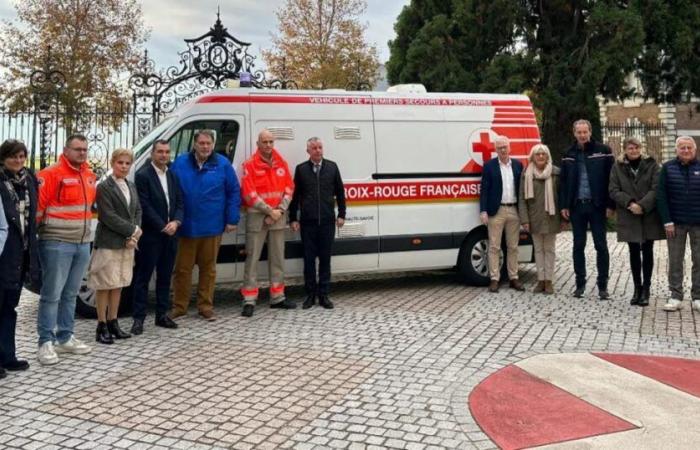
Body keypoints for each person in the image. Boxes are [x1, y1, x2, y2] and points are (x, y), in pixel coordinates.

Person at [35, 134, 96, 365]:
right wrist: (37, 237)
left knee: (70, 294)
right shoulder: (50, 174)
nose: (82, 153)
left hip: (82, 243)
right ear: (66, 150)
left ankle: (65, 336)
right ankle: (45, 342)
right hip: (56, 242)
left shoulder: (89, 175)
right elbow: (39, 209)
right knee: (51, 295)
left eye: (85, 149)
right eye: (77, 149)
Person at [170, 129, 240, 321]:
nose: (205, 147)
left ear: (213, 144)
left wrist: (232, 219)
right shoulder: (180, 163)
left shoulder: (223, 164)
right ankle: (179, 306)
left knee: (208, 270)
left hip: (212, 226)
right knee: (182, 270)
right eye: (201, 143)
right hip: (186, 226)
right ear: (194, 144)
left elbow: (234, 191)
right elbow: (172, 191)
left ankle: (205, 306)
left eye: (208, 143)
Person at [87, 149, 142, 344]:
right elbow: (108, 216)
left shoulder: (131, 186)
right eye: (120, 163)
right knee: (104, 284)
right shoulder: (104, 187)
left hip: (128, 244)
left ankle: (113, 322)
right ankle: (101, 325)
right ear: (112, 163)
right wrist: (132, 231)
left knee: (118, 283)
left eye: (127, 163)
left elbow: (137, 211)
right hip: (109, 242)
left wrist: (134, 234)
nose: (124, 167)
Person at [129, 140, 183, 335]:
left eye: (167, 152)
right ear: (152, 154)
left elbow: (179, 202)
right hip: (152, 235)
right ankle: (138, 319)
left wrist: (176, 221)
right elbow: (144, 205)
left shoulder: (173, 175)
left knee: (165, 277)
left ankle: (162, 315)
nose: (163, 155)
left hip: (171, 234)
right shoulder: (143, 176)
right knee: (143, 277)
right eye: (160, 152)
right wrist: (162, 226)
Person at [240, 129, 295, 317]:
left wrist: (279, 210)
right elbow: (248, 193)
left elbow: (289, 188)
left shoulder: (282, 163)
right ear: (258, 144)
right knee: (252, 258)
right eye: (264, 142)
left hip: (278, 216)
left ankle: (277, 297)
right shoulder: (249, 164)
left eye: (271, 142)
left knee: (277, 258)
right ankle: (249, 299)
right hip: (258, 216)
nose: (268, 145)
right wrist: (269, 211)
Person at [559, 119, 615, 300]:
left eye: (585, 132)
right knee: (578, 245)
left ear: (590, 132)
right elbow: (564, 182)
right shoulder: (568, 153)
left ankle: (603, 286)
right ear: (574, 133)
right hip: (577, 206)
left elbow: (611, 179)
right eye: (579, 132)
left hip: (597, 206)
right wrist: (564, 205)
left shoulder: (603, 151)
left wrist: (610, 204)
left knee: (601, 246)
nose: (582, 135)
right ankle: (580, 284)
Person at [289, 137, 346, 309]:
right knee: (308, 260)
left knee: (325, 260)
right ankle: (310, 295)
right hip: (308, 223)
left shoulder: (332, 167)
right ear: (308, 151)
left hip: (328, 222)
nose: (318, 150)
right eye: (314, 148)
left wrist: (342, 214)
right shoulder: (301, 170)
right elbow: (295, 196)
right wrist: (293, 218)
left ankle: (324, 294)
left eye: (320, 147)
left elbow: (340, 193)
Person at [609, 137, 665, 307]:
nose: (633, 150)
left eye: (636, 147)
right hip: (629, 214)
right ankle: (637, 288)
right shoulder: (617, 167)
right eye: (630, 148)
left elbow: (657, 188)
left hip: (648, 214)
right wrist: (630, 203)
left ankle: (646, 289)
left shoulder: (652, 164)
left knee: (648, 251)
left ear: (641, 148)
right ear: (624, 149)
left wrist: (642, 205)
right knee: (633, 252)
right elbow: (613, 189)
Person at [0, 139, 39, 378]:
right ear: (3, 158)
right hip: (4, 251)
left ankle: (8, 356)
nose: (18, 160)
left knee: (10, 308)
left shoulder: (29, 180)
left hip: (22, 252)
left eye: (22, 156)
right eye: (13, 156)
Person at [656, 136, 700, 312]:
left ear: (695, 150)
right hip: (675, 224)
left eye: (689, 147)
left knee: (699, 260)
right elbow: (661, 196)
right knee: (675, 260)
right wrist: (667, 221)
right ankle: (675, 296)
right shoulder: (667, 168)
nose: (686, 150)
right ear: (677, 150)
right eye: (682, 148)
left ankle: (698, 296)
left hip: (698, 223)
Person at [479, 135, 524, 293]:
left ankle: (513, 278)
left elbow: (523, 190)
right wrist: (483, 210)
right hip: (495, 211)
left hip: (514, 210)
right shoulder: (489, 166)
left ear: (510, 147)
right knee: (494, 247)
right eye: (499, 147)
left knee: (513, 246)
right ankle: (494, 279)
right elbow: (484, 190)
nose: (503, 150)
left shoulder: (518, 165)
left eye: (505, 146)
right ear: (495, 149)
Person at [518, 144, 560, 295]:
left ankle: (548, 281)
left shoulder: (555, 173)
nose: (541, 156)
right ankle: (540, 280)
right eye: (537, 154)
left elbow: (561, 197)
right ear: (532, 157)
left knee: (549, 249)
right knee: (538, 250)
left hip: (551, 217)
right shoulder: (526, 174)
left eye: (543, 154)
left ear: (547, 156)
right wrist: (524, 219)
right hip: (533, 217)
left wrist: (563, 218)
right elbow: (522, 199)